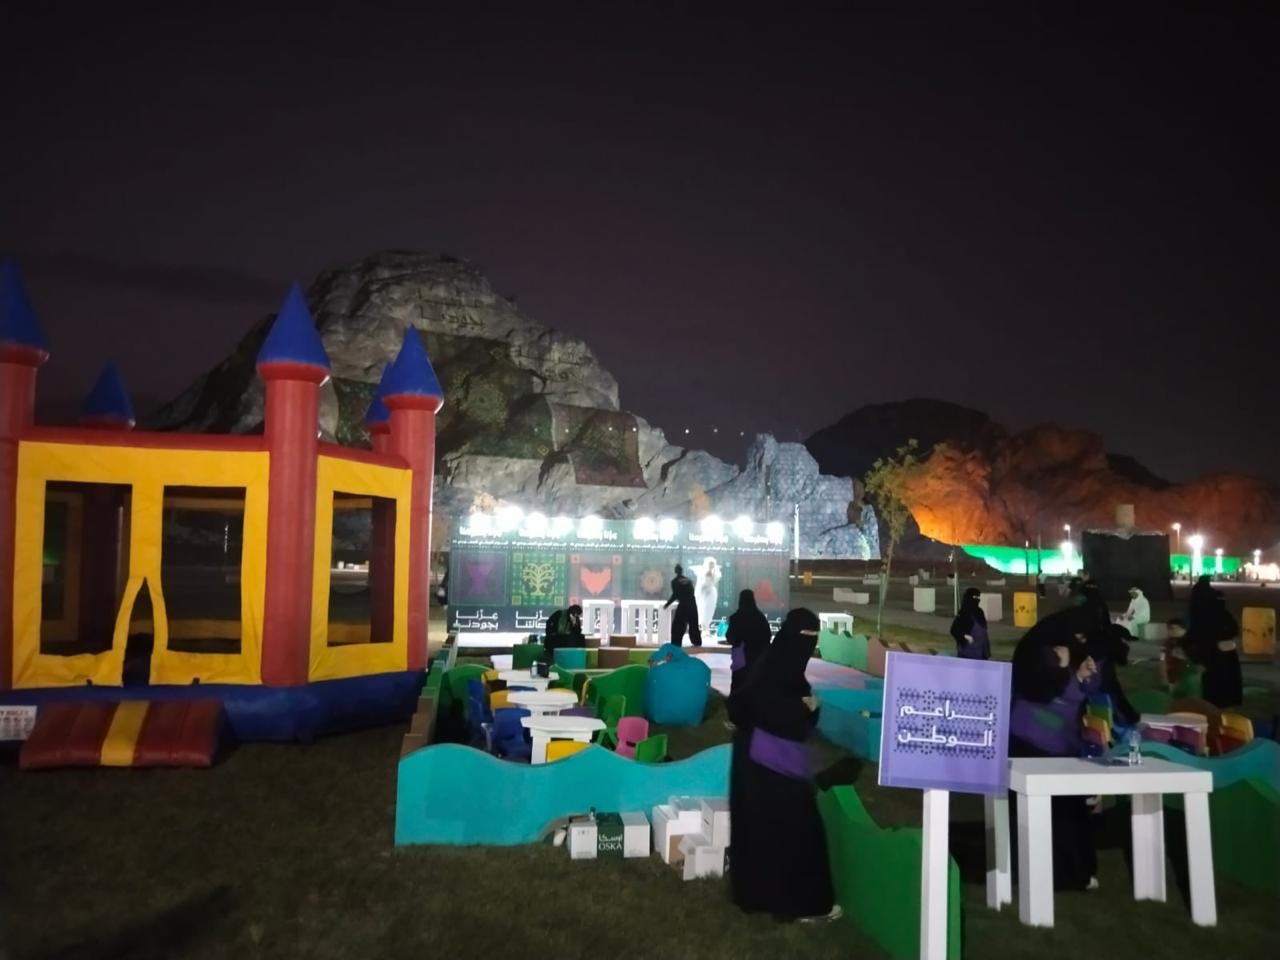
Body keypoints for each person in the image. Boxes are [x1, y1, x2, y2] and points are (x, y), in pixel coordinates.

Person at [728, 608, 839, 922]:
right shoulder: (775, 673)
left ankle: (759, 896)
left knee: (761, 831)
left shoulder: (772, 666)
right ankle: (801, 904)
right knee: (795, 832)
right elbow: (778, 717)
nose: (807, 646)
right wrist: (807, 711)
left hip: (757, 761)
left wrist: (806, 711)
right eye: (806, 638)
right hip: (772, 763)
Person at [1008, 606, 1100, 891]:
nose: (1080, 642)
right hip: (1035, 744)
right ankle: (1056, 874)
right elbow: (1045, 691)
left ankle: (1070, 872)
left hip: (1056, 745)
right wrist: (1064, 669)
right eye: (1078, 636)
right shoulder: (1044, 653)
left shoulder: (1061, 651)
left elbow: (1068, 697)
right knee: (1050, 816)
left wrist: (1079, 676)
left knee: (1063, 816)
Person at [1186, 576, 1243, 707]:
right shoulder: (1214, 609)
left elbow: (1195, 634)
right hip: (1217, 656)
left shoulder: (1204, 608)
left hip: (1215, 657)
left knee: (1214, 690)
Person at [726, 589, 772, 695]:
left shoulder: (735, 618)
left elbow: (730, 636)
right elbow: (767, 636)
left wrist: (738, 642)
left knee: (738, 683)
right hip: (757, 657)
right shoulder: (760, 618)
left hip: (739, 656)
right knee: (754, 684)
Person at [663, 564, 702, 647]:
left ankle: (676, 643)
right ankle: (697, 642)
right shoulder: (689, 580)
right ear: (682, 571)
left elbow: (675, 595)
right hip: (692, 603)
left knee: (678, 625)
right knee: (693, 624)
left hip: (683, 604)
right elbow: (692, 592)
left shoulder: (674, 582)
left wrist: (667, 604)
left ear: (675, 571)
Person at [949, 587, 990, 659]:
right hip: (968, 654)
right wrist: (966, 637)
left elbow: (983, 631)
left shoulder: (980, 612)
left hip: (982, 652)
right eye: (975, 597)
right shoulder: (964, 613)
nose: (977, 599)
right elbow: (954, 630)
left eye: (978, 597)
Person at [694, 557, 722, 637]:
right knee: (702, 610)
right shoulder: (701, 571)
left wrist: (712, 573)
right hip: (703, 592)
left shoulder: (716, 572)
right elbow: (702, 581)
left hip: (711, 593)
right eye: (710, 564)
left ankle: (706, 629)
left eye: (712, 564)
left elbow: (715, 579)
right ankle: (703, 629)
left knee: (709, 611)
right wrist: (707, 572)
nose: (711, 565)